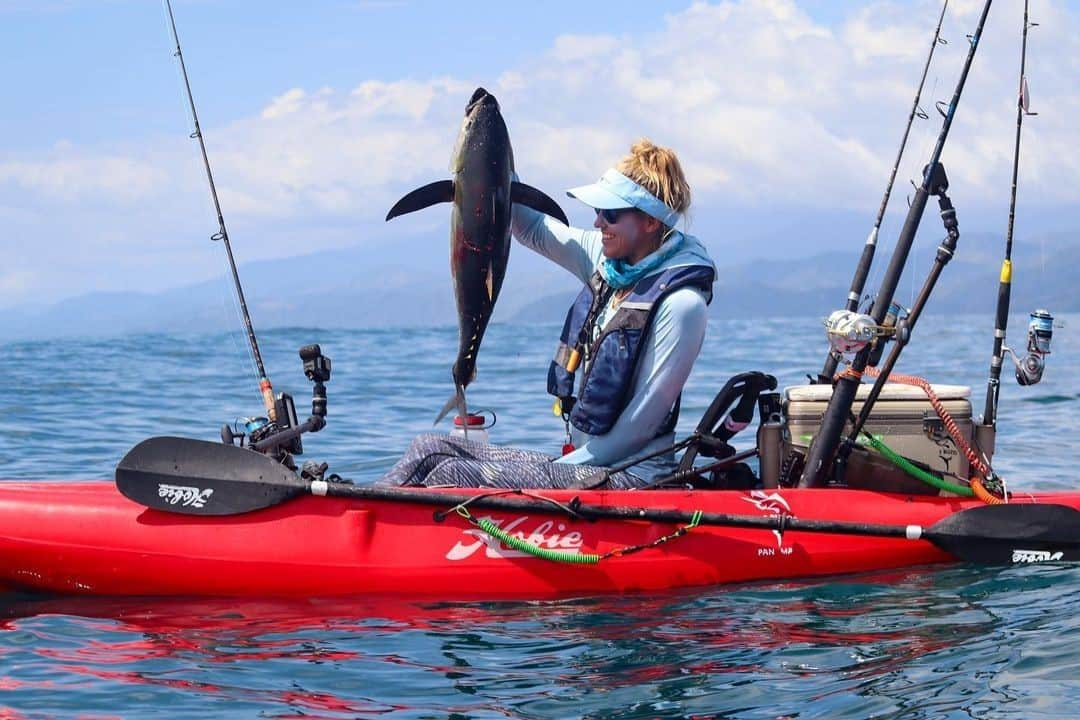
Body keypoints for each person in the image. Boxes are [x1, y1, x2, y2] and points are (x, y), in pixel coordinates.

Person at [378, 139, 715, 489]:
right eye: (597, 210)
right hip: (584, 466)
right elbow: (532, 227)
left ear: (649, 222)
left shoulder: (682, 306)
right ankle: (355, 516)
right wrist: (491, 150)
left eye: (610, 213)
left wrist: (563, 469)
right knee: (428, 448)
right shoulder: (606, 262)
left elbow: (640, 428)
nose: (598, 222)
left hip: (632, 477)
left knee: (449, 473)